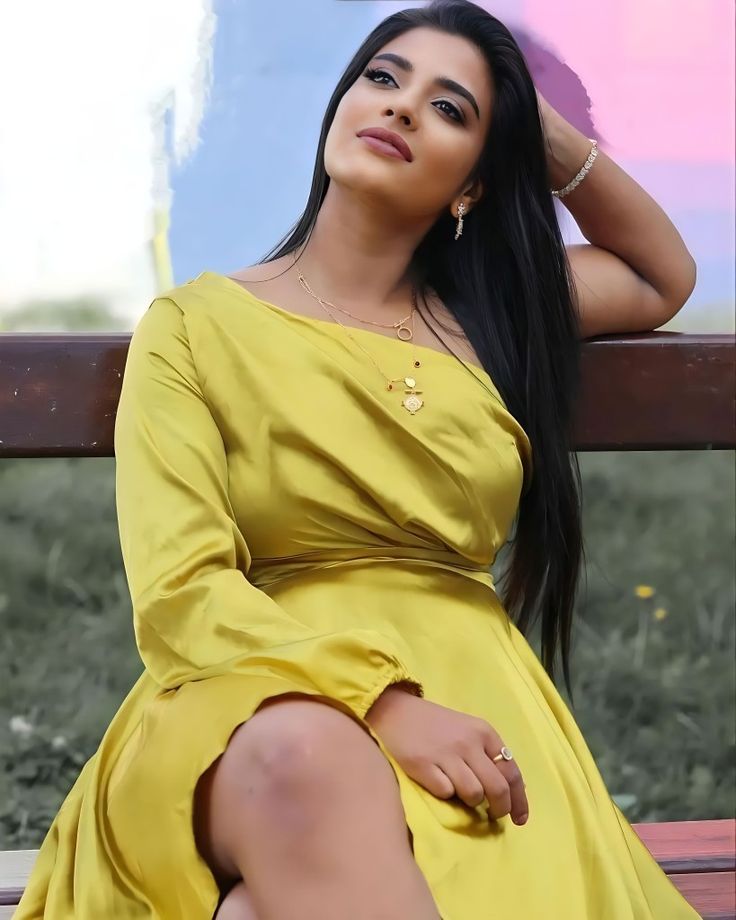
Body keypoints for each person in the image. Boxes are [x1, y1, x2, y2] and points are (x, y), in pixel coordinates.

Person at [14, 1, 700, 918]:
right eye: (383, 79)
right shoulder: (194, 328)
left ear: (474, 185)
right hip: (247, 695)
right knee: (310, 759)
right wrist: (381, 703)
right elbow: (181, 592)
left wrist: (536, 127)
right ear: (338, 107)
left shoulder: (494, 318)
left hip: (476, 707)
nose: (404, 107)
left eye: (452, 109)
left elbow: (662, 275)